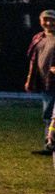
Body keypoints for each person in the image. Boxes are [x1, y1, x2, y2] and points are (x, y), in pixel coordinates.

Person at [29, 10, 55, 155]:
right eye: (46, 19)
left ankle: (50, 143)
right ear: (40, 21)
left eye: (52, 19)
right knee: (48, 115)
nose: (49, 23)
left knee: (50, 115)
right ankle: (49, 144)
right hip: (45, 83)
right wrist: (29, 79)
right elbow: (33, 60)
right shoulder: (39, 38)